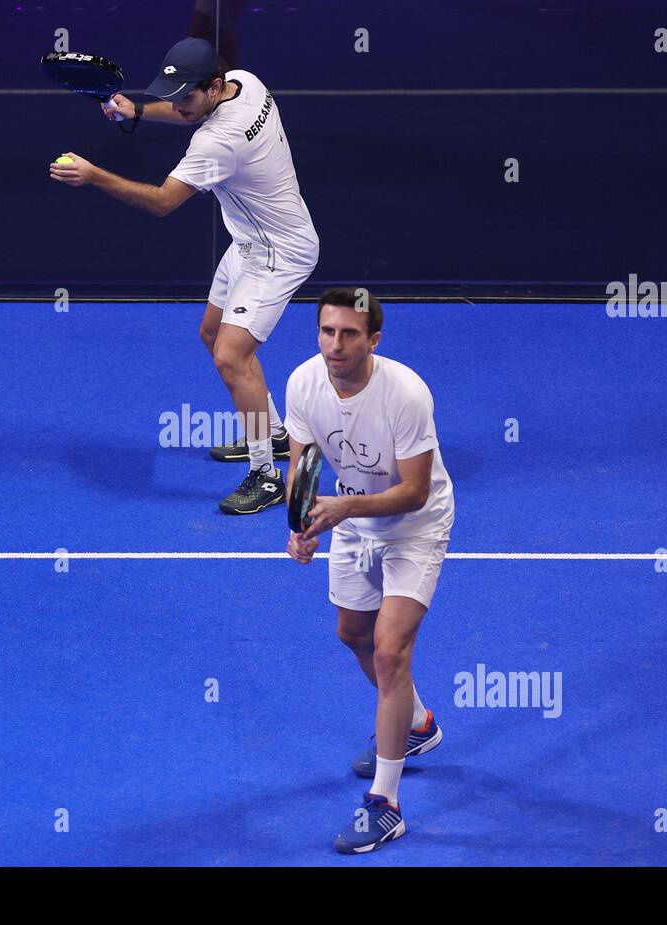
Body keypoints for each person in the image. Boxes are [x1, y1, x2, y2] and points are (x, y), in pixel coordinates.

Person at [49, 37, 319, 515]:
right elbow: (188, 111)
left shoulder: (218, 141)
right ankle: (274, 434)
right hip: (251, 242)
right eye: (172, 94)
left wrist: (94, 176)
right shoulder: (246, 84)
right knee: (211, 333)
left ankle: (267, 475)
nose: (178, 103)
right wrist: (136, 111)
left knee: (231, 357)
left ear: (214, 87)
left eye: (186, 95)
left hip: (279, 252)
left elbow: (161, 202)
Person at [284, 288, 455, 853]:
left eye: (349, 333)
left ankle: (386, 804)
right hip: (350, 516)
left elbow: (412, 491)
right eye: (327, 331)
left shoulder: (406, 393)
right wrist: (301, 524)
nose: (336, 344)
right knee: (352, 634)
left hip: (414, 523)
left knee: (389, 650)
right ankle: (418, 723)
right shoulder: (303, 383)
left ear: (373, 340)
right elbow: (303, 463)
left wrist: (343, 508)